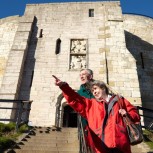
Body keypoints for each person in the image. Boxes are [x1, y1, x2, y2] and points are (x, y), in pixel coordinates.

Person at [53, 75, 140, 153]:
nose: (93, 92)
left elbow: (135, 114)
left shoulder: (119, 100)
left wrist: (127, 114)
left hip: (121, 143)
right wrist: (63, 86)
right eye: (92, 90)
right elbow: (75, 98)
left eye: (95, 89)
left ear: (103, 88)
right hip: (100, 144)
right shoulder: (90, 104)